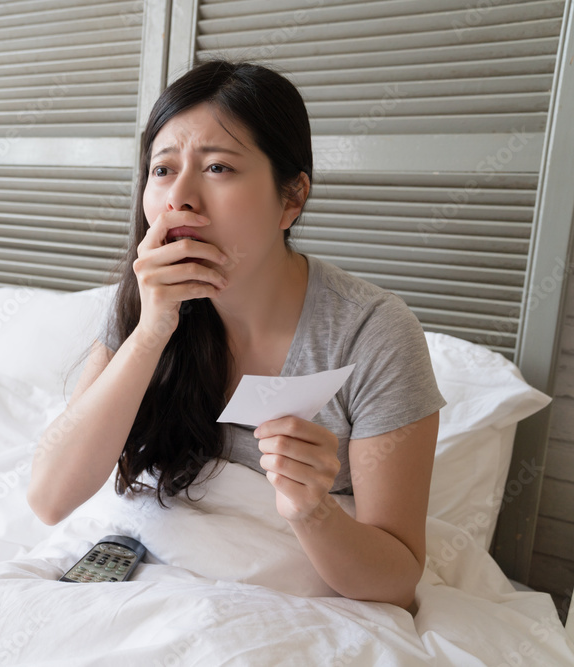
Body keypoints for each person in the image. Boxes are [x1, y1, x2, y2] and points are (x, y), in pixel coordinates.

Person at [27, 59, 446, 613]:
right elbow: (50, 499)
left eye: (218, 167)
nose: (180, 198)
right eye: (162, 169)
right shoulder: (144, 300)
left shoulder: (374, 334)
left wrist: (311, 511)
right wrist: (152, 330)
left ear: (291, 198)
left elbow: (395, 582)